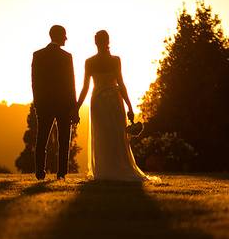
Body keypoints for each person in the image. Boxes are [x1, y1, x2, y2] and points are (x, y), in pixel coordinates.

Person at [76, 30, 154, 182]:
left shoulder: (90, 62)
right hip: (114, 100)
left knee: (103, 135)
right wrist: (130, 107)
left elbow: (85, 87)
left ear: (96, 42)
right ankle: (118, 167)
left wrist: (77, 106)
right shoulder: (115, 60)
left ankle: (104, 170)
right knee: (116, 135)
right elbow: (121, 84)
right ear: (108, 41)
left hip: (98, 101)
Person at [31, 24, 79, 180]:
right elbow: (71, 84)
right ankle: (61, 173)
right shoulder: (66, 57)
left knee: (41, 140)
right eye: (64, 35)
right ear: (58, 36)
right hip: (64, 105)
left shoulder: (38, 55)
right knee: (64, 140)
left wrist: (37, 103)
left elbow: (35, 82)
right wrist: (74, 108)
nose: (66, 38)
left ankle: (40, 172)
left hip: (44, 104)